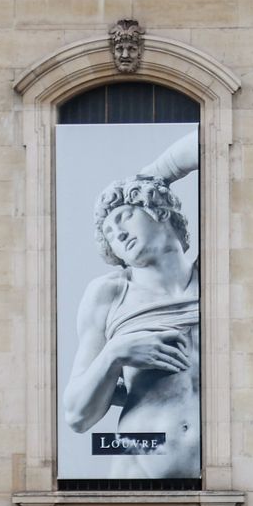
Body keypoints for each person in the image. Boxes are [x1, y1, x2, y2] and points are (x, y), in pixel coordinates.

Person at [61, 129, 201, 480]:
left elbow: (217, 140)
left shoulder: (219, 276)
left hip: (226, 480)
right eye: (108, 233)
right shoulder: (109, 294)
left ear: (160, 211)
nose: (117, 233)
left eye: (123, 217)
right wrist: (116, 353)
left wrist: (153, 176)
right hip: (139, 473)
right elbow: (77, 414)